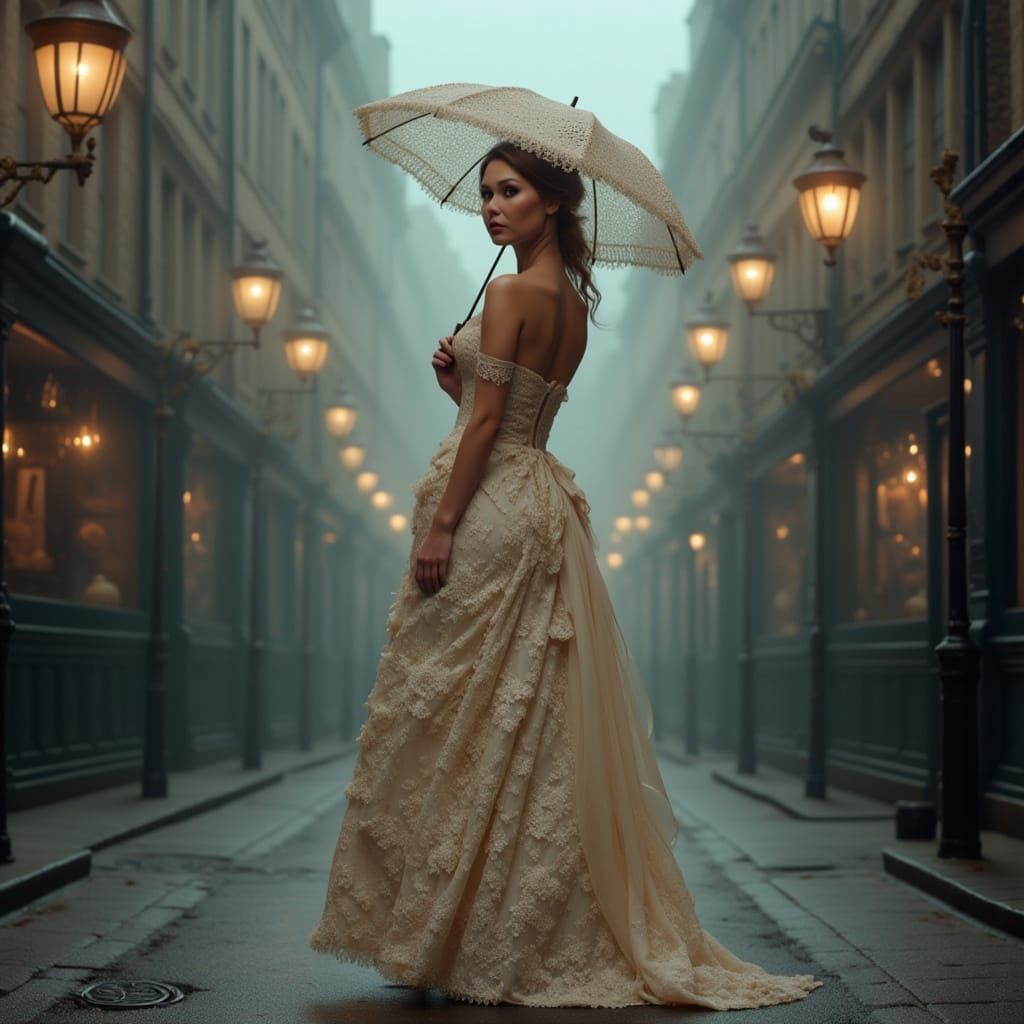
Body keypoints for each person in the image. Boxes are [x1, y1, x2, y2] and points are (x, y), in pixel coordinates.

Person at [307, 141, 823, 1010]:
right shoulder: (571, 305)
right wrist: (456, 379)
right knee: (509, 713)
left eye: (510, 192)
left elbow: (483, 433)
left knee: (455, 713)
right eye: (485, 194)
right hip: (536, 503)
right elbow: (509, 416)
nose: (491, 206)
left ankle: (455, 920)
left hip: (491, 514)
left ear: (552, 202)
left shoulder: (510, 292)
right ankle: (483, 917)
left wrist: (441, 524)